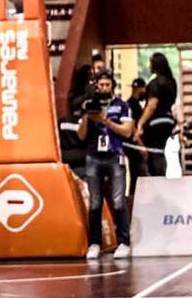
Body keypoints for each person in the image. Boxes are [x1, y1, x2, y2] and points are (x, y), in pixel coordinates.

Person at [78, 69, 133, 260]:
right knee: (95, 202)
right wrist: (87, 116)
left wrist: (105, 121)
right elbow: (81, 135)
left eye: (106, 85)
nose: (103, 88)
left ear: (112, 86)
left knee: (118, 201)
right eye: (100, 85)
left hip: (114, 155)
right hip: (94, 156)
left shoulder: (122, 106)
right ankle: (95, 243)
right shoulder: (89, 105)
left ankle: (124, 241)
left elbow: (127, 131)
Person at [134, 53, 178, 176]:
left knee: (154, 153)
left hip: (155, 121)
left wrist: (140, 123)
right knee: (160, 151)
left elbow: (152, 105)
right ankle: (161, 176)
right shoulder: (172, 82)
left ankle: (157, 179)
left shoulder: (155, 83)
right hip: (168, 120)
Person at [125, 77, 148, 196]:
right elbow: (132, 126)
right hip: (134, 146)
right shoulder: (133, 105)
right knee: (140, 176)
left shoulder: (130, 103)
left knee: (135, 176)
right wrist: (141, 146)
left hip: (131, 146)